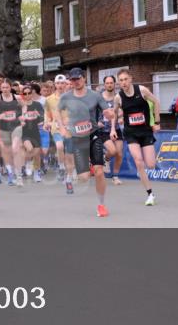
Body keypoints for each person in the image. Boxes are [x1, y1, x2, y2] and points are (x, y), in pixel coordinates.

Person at [58, 68, 110, 217]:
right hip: (77, 139)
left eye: (78, 79)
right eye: (73, 79)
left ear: (84, 79)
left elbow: (106, 110)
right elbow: (57, 112)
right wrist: (62, 128)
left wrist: (109, 113)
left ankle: (101, 205)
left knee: (99, 172)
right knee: (84, 177)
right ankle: (84, 162)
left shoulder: (95, 95)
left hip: (93, 135)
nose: (76, 82)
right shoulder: (66, 97)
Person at [111, 68, 161, 206]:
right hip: (131, 133)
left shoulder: (142, 90)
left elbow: (156, 102)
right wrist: (112, 129)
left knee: (150, 165)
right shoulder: (118, 97)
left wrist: (157, 122)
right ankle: (150, 194)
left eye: (125, 79)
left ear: (131, 79)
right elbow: (114, 114)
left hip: (145, 132)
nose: (123, 82)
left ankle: (144, 172)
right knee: (139, 161)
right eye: (120, 80)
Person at [0, 79, 24, 185]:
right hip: (3, 128)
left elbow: (24, 106)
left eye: (7, 87)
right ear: (0, 88)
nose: (5, 89)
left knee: (15, 149)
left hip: (16, 126)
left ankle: (19, 175)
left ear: (10, 88)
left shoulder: (17, 98)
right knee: (7, 152)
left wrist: (23, 115)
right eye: (3, 88)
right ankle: (11, 173)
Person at [44, 74, 74, 184]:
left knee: (70, 153)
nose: (60, 85)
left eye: (62, 83)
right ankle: (61, 167)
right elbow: (47, 113)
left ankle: (70, 174)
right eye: (58, 83)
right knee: (60, 146)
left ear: (66, 84)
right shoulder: (49, 99)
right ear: (55, 84)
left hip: (70, 128)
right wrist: (47, 122)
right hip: (56, 128)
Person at [100, 75, 124, 185]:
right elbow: (92, 111)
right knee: (112, 151)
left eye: (111, 83)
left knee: (119, 153)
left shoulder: (118, 97)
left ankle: (115, 176)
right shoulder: (99, 98)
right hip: (103, 129)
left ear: (115, 84)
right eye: (107, 83)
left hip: (116, 128)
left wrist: (121, 117)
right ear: (104, 84)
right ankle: (105, 158)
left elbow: (123, 111)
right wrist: (97, 121)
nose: (109, 85)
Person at [19, 84, 45, 182]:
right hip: (24, 132)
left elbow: (42, 119)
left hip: (35, 131)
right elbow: (18, 121)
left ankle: (36, 173)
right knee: (29, 149)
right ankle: (27, 163)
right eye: (25, 94)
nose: (27, 95)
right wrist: (23, 116)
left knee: (37, 154)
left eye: (29, 93)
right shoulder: (20, 106)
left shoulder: (37, 105)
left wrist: (39, 116)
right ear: (22, 95)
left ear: (32, 94)